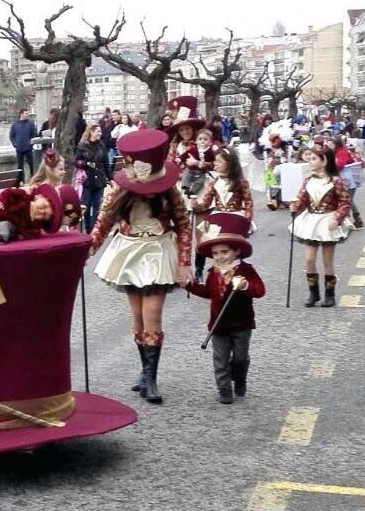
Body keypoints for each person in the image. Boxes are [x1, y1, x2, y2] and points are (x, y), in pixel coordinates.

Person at [90, 129, 191, 403]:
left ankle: (152, 379)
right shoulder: (119, 190)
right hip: (129, 251)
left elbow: (183, 225)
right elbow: (102, 225)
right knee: (137, 318)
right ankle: (145, 372)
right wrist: (83, 252)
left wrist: (184, 264)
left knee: (153, 314)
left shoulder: (170, 190)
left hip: (158, 251)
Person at [187, 212, 264, 404]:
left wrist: (245, 286)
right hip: (218, 325)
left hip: (242, 324)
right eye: (215, 253)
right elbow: (208, 292)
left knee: (240, 358)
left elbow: (260, 290)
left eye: (224, 252)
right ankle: (224, 391)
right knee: (220, 360)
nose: (219, 257)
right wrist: (189, 285)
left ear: (236, 251)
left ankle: (240, 378)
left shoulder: (246, 270)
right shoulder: (213, 272)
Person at [290, 146, 353, 308]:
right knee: (309, 259)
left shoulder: (336, 181)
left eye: (313, 159)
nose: (310, 161)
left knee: (327, 261)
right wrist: (295, 207)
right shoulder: (308, 180)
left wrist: (337, 218)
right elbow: (302, 199)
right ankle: (313, 292)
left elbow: (345, 203)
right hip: (311, 221)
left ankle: (330, 294)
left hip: (327, 222)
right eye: (309, 158)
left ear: (324, 161)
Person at [192, 146, 253, 282]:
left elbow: (248, 203)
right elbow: (206, 204)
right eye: (215, 161)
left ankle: (236, 277)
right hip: (218, 219)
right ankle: (215, 279)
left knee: (232, 250)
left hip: (235, 218)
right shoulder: (214, 182)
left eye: (219, 161)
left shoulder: (241, 182)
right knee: (217, 250)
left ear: (229, 163)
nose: (215, 164)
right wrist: (196, 206)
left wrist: (247, 221)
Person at [74, 124, 109, 232]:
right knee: (87, 207)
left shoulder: (101, 145)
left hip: (99, 180)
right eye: (97, 131)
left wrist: (110, 177)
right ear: (91, 132)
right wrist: (86, 163)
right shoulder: (82, 146)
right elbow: (76, 161)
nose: (100, 133)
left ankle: (94, 231)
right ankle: (88, 229)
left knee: (97, 207)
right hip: (87, 181)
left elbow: (106, 162)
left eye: (100, 131)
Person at [333, 137, 364, 229]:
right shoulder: (341, 151)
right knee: (348, 200)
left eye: (331, 144)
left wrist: (330, 168)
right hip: (348, 179)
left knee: (346, 201)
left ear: (336, 144)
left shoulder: (342, 152)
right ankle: (355, 219)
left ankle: (351, 220)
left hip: (348, 180)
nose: (329, 145)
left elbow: (340, 165)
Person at [9, 108, 37, 178]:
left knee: (31, 165)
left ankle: (33, 178)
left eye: (28, 113)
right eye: (26, 113)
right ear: (21, 114)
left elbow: (34, 135)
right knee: (20, 166)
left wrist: (31, 144)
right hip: (19, 149)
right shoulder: (15, 125)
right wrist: (15, 144)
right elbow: (11, 136)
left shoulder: (31, 124)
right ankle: (21, 181)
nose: (27, 115)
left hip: (28, 149)